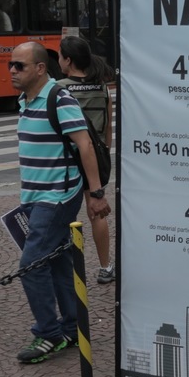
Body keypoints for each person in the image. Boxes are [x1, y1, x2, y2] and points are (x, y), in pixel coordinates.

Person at [9, 41, 110, 364]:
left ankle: (48, 334)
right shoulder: (25, 100)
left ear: (40, 68)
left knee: (31, 265)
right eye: (11, 65)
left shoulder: (59, 97)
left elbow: (85, 145)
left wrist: (95, 195)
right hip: (35, 196)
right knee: (58, 263)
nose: (12, 71)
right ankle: (71, 326)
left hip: (56, 197)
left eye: (19, 66)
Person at [57, 35, 116, 284]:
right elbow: (108, 130)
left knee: (61, 215)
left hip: (67, 159)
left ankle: (63, 269)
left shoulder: (59, 88)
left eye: (59, 56)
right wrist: (103, 153)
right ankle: (105, 266)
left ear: (68, 60)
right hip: (97, 157)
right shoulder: (102, 88)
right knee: (97, 213)